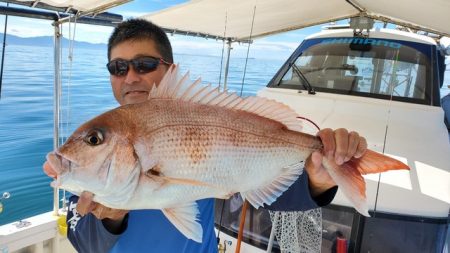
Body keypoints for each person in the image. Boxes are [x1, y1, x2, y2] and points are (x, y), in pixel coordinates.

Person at [52, 19, 368, 253]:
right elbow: (84, 242)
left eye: (144, 64)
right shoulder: (96, 151)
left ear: (168, 68)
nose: (131, 76)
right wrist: (111, 218)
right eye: (118, 67)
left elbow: (269, 195)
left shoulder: (195, 117)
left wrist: (317, 181)